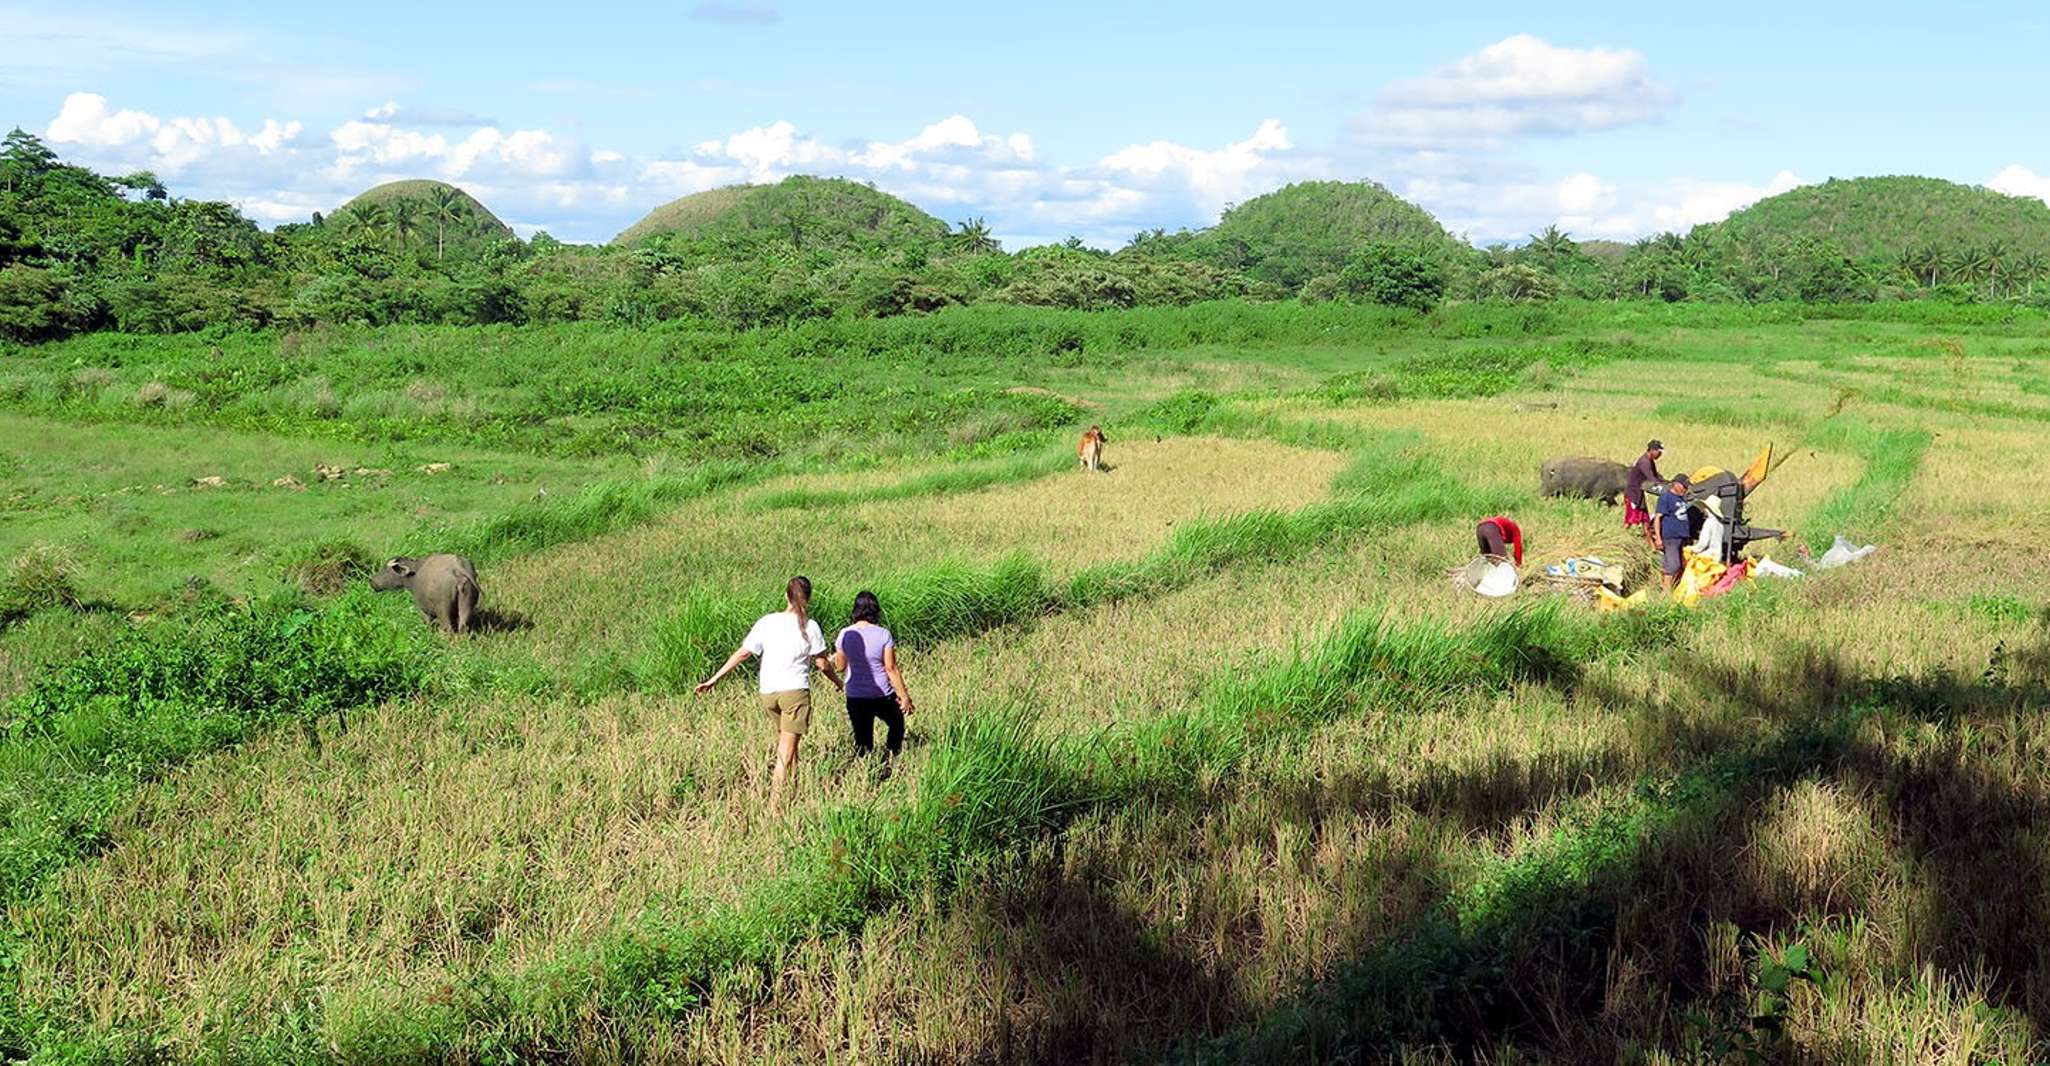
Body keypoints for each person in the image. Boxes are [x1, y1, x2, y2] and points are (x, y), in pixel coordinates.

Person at [696, 576, 844, 805]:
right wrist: (837, 682)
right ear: (809, 599)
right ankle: (776, 804)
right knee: (785, 751)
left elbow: (743, 653)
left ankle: (792, 793)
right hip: (794, 693)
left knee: (790, 745)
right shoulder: (810, 625)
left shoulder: (767, 622)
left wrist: (714, 678)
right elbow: (822, 664)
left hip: (768, 693)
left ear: (786, 595)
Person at [833, 590, 914, 762]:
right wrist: (904, 696)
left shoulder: (844, 634)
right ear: (875, 610)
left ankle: (865, 772)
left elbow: (840, 667)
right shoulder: (883, 634)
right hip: (881, 694)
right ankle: (892, 757)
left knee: (862, 739)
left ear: (856, 610)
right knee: (896, 723)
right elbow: (890, 668)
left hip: (855, 695)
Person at [1653, 473, 1694, 592]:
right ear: (1676, 484)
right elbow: (1657, 518)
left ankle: (1673, 589)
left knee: (1679, 565)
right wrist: (1658, 538)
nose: (1686, 489)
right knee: (1672, 565)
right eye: (1684, 486)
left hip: (1680, 537)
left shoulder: (1681, 498)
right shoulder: (1666, 498)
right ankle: (1665, 592)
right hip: (1670, 537)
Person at [1625, 439, 1666, 538]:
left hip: (1639, 494)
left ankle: (1650, 544)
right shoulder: (1644, 462)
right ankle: (1622, 536)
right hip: (1633, 494)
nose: (1660, 455)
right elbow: (1651, 478)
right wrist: (1662, 487)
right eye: (1659, 452)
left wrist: (1667, 481)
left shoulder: (1650, 461)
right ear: (1652, 450)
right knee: (1631, 519)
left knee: (1645, 519)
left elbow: (1656, 476)